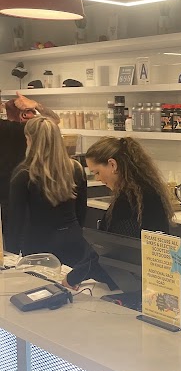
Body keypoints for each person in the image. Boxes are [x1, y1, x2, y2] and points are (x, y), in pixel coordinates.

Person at [6, 117, 113, 288]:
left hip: (38, 243)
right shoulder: (75, 168)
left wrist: (9, 255)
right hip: (73, 240)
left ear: (30, 140)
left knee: (39, 291)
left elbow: (15, 220)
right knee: (74, 291)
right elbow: (81, 212)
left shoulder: (24, 174)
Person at [0, 92, 60, 252]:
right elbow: (54, 121)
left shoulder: (9, 129)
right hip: (21, 195)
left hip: (9, 196)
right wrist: (36, 105)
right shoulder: (18, 130)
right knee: (20, 245)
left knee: (9, 246)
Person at [85, 137, 173, 237]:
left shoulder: (128, 200)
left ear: (113, 165)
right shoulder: (146, 190)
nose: (97, 178)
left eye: (97, 172)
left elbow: (117, 241)